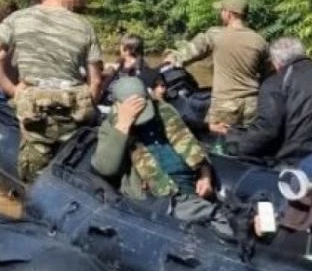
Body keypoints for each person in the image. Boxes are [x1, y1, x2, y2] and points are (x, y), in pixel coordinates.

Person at [0, 0, 104, 182]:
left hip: (33, 109)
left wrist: (11, 89)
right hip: (73, 112)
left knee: (32, 176)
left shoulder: (18, 19)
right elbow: (96, 80)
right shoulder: (84, 26)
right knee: (74, 171)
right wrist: (87, 103)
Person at [91, 77, 239, 236]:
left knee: (231, 212)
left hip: (190, 186)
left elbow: (190, 143)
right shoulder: (111, 127)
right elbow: (106, 167)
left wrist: (205, 173)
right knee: (218, 218)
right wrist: (124, 124)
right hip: (160, 196)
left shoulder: (163, 111)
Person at [163, 0, 271, 132]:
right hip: (253, 105)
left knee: (218, 144)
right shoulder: (259, 40)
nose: (221, 13)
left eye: (222, 10)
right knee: (247, 144)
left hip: (225, 105)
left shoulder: (216, 35)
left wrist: (173, 57)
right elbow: (268, 73)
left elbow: (191, 51)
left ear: (229, 14)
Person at [225, 37, 312, 165]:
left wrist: (238, 146)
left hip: (295, 161)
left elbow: (267, 129)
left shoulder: (276, 83)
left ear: (276, 63)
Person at [102, 34, 160, 103]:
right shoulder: (121, 61)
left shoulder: (140, 68)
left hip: (119, 102)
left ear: (127, 49)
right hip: (109, 97)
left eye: (121, 45)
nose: (119, 47)